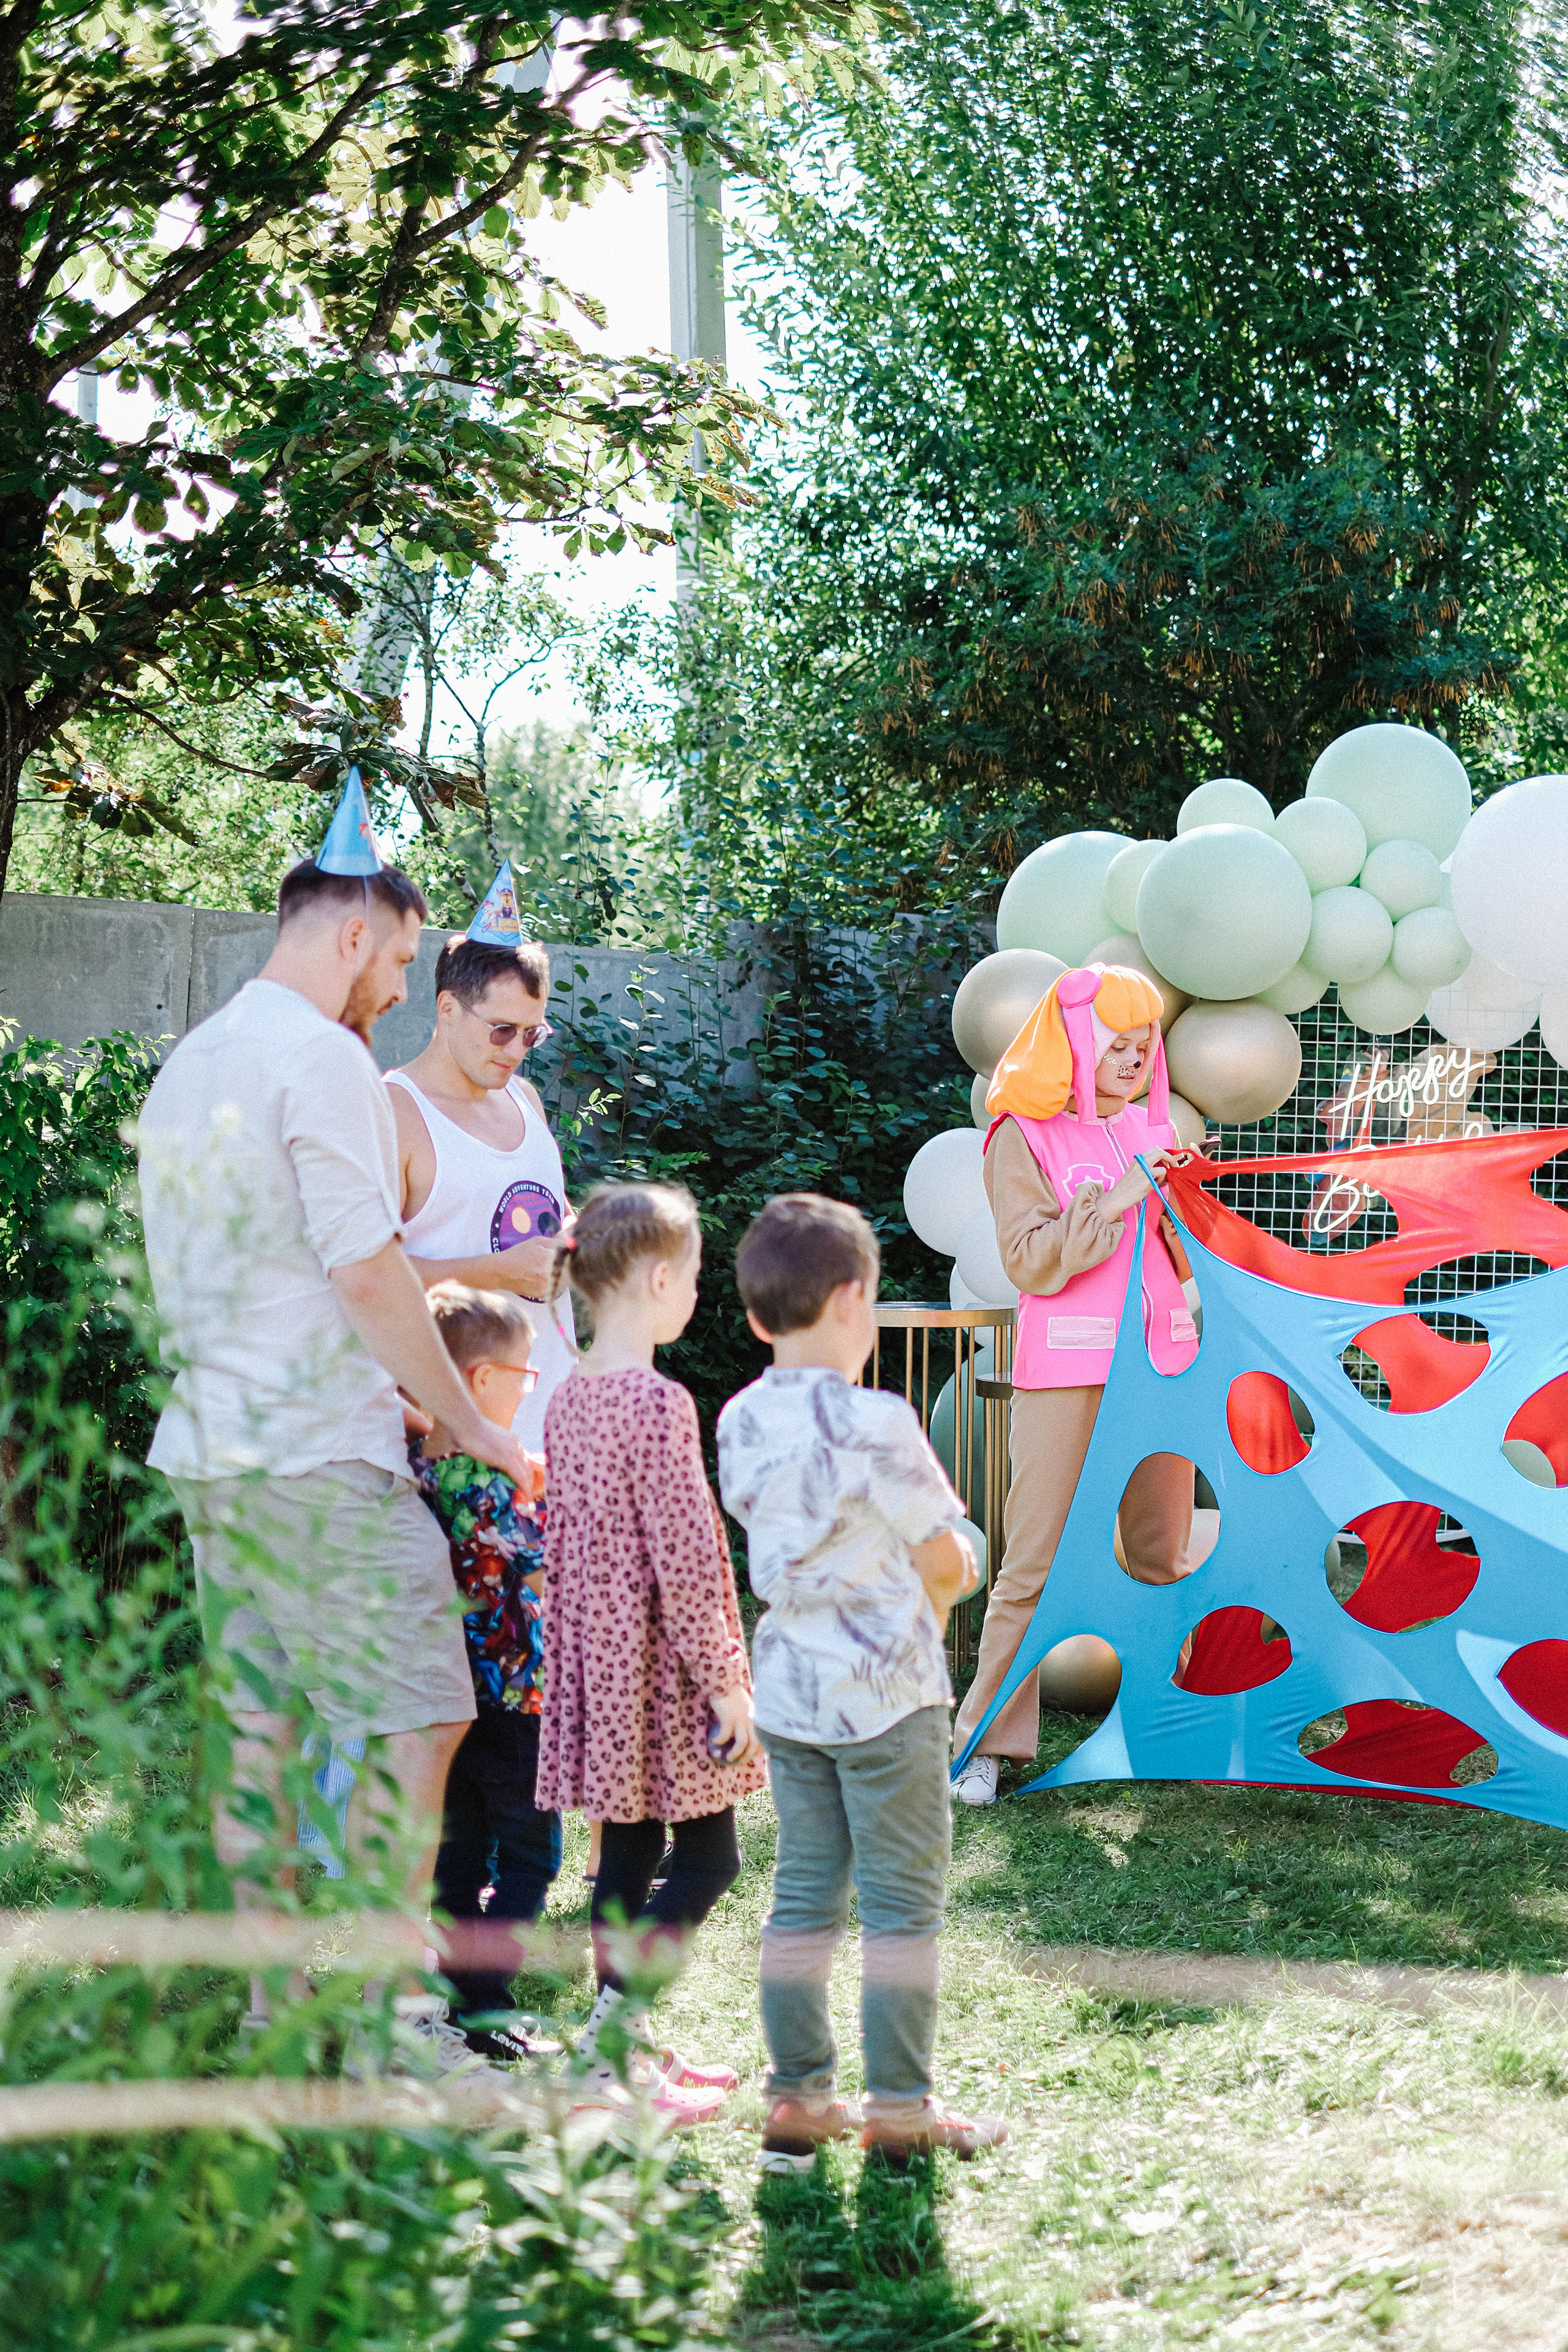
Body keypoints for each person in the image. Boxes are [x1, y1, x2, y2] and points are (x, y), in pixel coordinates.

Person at [138, 783, 536, 2079]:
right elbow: (368, 1269)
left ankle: (269, 2013)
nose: (398, 987)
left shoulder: (196, 1059)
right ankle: (389, 2021)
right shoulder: (321, 1059)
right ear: (354, 936)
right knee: (419, 1716)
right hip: (318, 1454)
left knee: (258, 1734)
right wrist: (472, 1422)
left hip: (215, 1449)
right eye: (407, 961)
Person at [718, 1191, 1007, 2172]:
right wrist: (957, 1569)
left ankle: (795, 2108)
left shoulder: (741, 1416)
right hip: (889, 1697)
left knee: (802, 1898)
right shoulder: (879, 1420)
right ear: (855, 1302)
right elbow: (943, 1557)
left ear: (759, 1318)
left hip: (792, 1695)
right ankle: (899, 2111)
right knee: (901, 1911)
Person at [532, 1182, 767, 2123]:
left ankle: (612, 2052)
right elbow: (684, 1562)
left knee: (626, 1860)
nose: (700, 1291)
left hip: (598, 1664)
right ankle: (611, 2041)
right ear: (661, 1278)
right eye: (698, 1274)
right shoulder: (658, 1403)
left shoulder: (569, 1397)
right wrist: (726, 1688)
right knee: (710, 1864)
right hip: (663, 1674)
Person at [949, 962, 1199, 1808]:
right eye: (1118, 1043)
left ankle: (1167, 1724)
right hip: (1068, 1372)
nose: (1135, 1059)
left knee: (1163, 1553)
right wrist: (1127, 1195)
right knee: (1034, 1563)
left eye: (1144, 1044)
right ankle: (982, 1746)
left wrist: (1188, 1205)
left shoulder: (1147, 1128)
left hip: (1160, 1365)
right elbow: (1029, 1259)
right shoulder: (1020, 1133)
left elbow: (1175, 1253)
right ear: (1076, 1042)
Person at [410, 1281, 562, 2060]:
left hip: (445, 1694)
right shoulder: (485, 1480)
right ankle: (482, 1997)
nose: (527, 1388)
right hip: (512, 1695)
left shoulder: (421, 1465)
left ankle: (454, 1993)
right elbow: (534, 1568)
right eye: (524, 1374)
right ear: (478, 1382)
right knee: (534, 1853)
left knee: (460, 1850)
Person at [387, 864, 575, 1453]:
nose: (518, 1050)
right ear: (447, 1009)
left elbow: (551, 1214)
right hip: (451, 1435)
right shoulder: (395, 1112)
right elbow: (364, 1279)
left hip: (551, 1417)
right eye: (502, 1030)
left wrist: (580, 1236)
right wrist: (498, 1272)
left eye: (532, 1034)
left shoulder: (526, 1100)